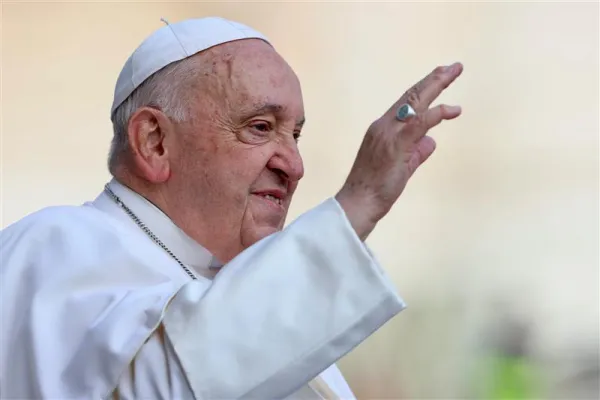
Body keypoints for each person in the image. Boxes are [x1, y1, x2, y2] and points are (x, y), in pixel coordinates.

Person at [0, 16, 463, 399]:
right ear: (155, 142)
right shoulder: (54, 246)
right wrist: (356, 204)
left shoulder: (235, 284)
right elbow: (159, 387)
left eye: (295, 135)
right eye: (260, 127)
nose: (295, 165)